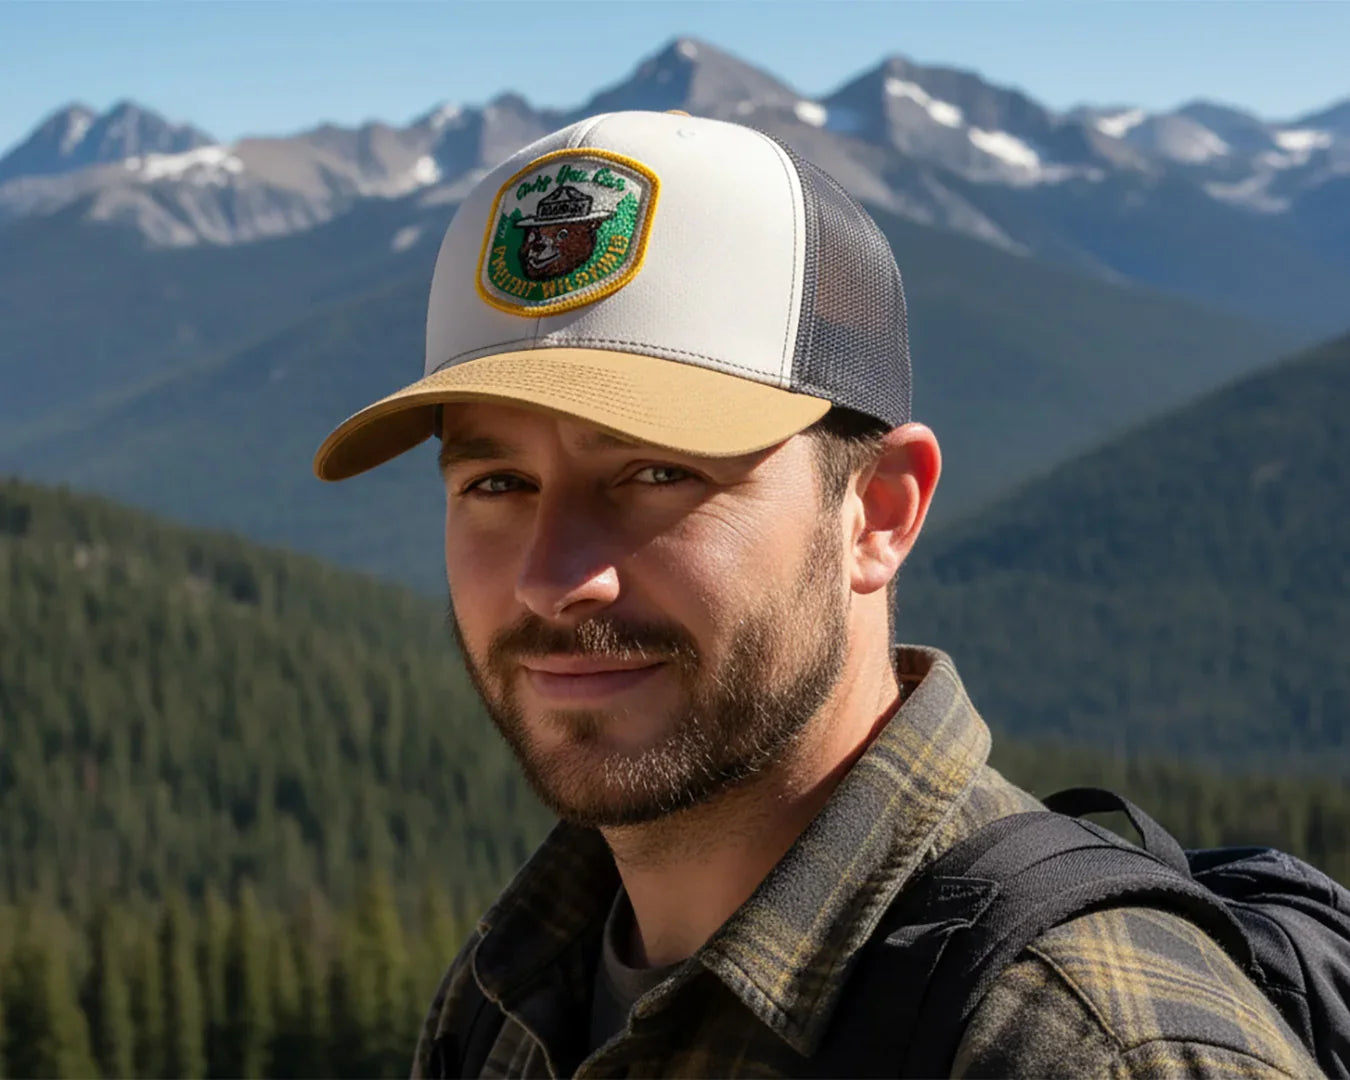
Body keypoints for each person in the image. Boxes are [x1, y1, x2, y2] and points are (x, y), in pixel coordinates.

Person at [313, 111, 1319, 1078]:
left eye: (657, 474)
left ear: (878, 511)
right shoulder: (513, 991)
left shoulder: (1083, 1047)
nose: (553, 578)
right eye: (496, 484)